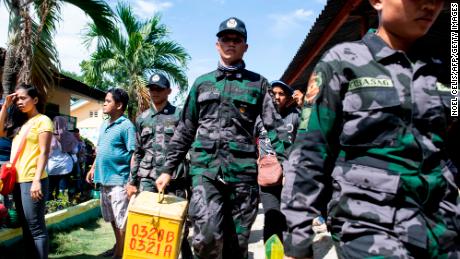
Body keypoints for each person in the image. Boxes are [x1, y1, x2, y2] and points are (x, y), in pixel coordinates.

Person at [281, 0, 460, 258]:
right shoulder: (342, 63)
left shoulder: (443, 71)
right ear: (377, 1)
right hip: (370, 226)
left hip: (443, 226)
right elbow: (310, 152)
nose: (429, 5)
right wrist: (298, 239)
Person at [155, 17, 284, 259]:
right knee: (206, 237)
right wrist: (167, 169)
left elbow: (276, 128)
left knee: (237, 244)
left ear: (246, 46)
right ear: (217, 44)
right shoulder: (202, 84)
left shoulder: (258, 83)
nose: (230, 43)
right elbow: (185, 129)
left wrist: (290, 166)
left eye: (237, 40)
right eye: (225, 39)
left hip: (242, 174)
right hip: (206, 171)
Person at [125, 73, 193, 258]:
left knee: (177, 224)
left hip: (175, 178)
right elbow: (138, 152)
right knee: (148, 223)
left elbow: (190, 146)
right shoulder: (142, 119)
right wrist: (132, 181)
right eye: (152, 88)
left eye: (159, 89)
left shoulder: (180, 115)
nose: (154, 92)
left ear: (168, 91)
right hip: (147, 178)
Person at [0, 84, 53, 259]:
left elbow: (44, 152)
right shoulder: (21, 124)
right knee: (26, 225)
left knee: (36, 227)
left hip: (32, 180)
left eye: (24, 98)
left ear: (35, 100)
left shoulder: (43, 120)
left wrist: (37, 180)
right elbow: (0, 131)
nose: (20, 102)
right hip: (18, 180)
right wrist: (6, 106)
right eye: (18, 99)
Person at [86, 88, 136, 259]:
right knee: (113, 219)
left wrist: (131, 181)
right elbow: (100, 151)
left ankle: (121, 254)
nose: (104, 104)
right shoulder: (104, 125)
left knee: (122, 220)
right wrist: (93, 168)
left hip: (119, 181)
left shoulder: (126, 125)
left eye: (108, 101)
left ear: (119, 105)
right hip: (104, 180)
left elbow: (133, 153)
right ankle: (118, 249)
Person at [256, 80, 300, 243]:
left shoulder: (295, 115)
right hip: (268, 178)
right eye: (273, 93)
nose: (276, 97)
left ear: (288, 98)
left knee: (291, 220)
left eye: (281, 94)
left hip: (292, 177)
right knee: (272, 220)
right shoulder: (259, 119)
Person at [47, 116, 78, 200]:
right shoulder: (68, 135)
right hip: (65, 167)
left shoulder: (48, 135)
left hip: (51, 167)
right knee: (62, 190)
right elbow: (75, 151)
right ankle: (62, 207)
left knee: (49, 190)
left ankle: (48, 208)